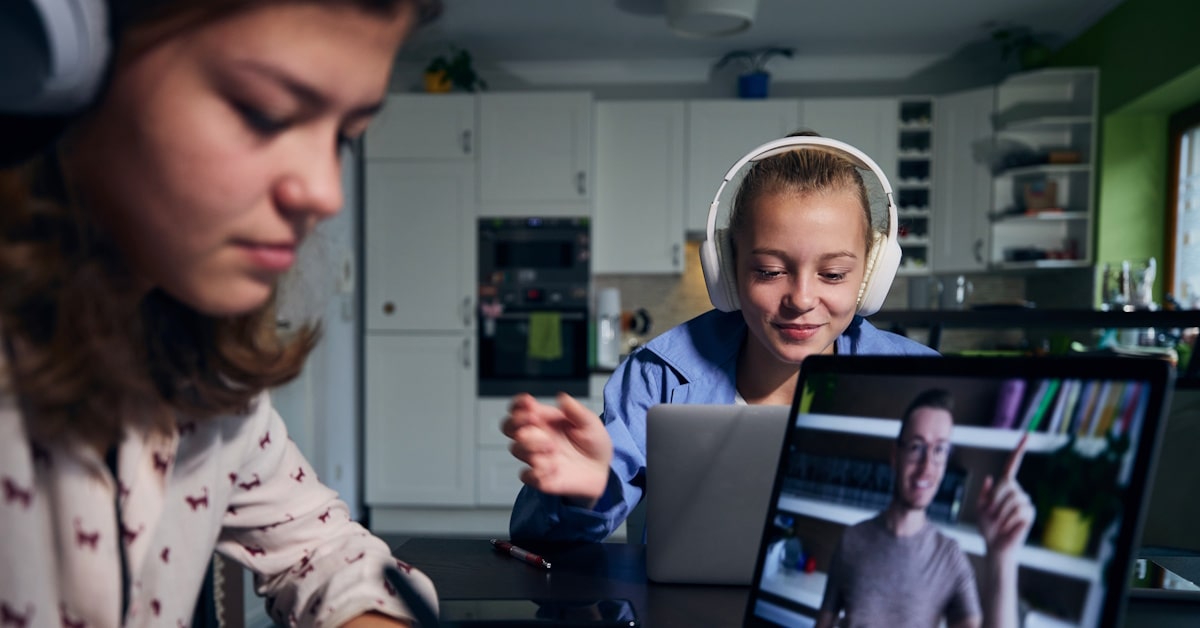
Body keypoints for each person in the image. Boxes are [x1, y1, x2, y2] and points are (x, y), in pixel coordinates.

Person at [0, 1, 441, 626]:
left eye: (345, 136)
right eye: (265, 114)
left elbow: (324, 552)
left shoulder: (210, 389)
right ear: (73, 75)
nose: (325, 192)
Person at [503, 133, 937, 543]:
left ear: (871, 277)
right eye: (769, 271)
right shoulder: (659, 378)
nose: (802, 299)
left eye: (834, 274)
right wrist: (585, 493)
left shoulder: (926, 384)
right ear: (727, 272)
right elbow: (539, 538)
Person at [816, 389, 1034, 628]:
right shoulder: (852, 540)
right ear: (895, 455)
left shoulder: (950, 559)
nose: (927, 467)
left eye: (939, 450)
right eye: (916, 447)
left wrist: (1002, 557)